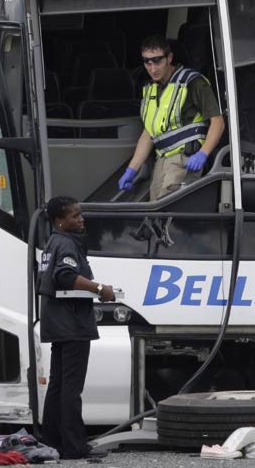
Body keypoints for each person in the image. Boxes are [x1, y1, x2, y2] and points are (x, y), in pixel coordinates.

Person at [38, 196, 115, 460]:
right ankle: (74, 446)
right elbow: (65, 275)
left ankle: (52, 442)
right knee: (71, 388)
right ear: (60, 220)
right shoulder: (67, 243)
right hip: (72, 325)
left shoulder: (52, 242)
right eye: (75, 215)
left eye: (81, 214)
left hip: (57, 323)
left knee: (57, 386)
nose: (81, 219)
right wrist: (99, 288)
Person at [118, 35, 225, 200]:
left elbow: (218, 122)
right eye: (147, 62)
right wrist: (132, 169)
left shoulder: (192, 83)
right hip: (162, 160)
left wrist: (203, 154)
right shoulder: (151, 89)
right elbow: (149, 134)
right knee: (155, 213)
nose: (152, 68)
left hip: (185, 159)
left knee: (168, 214)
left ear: (169, 58)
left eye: (157, 61)